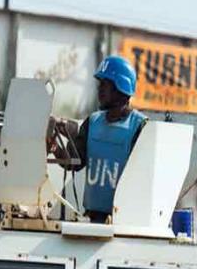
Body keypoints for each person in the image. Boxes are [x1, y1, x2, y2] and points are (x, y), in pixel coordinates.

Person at [49, 56, 147, 223]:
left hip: (123, 222)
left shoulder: (140, 126)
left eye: (105, 85)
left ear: (120, 87)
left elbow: (143, 179)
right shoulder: (93, 122)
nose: (99, 90)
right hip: (91, 218)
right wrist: (55, 148)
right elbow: (74, 162)